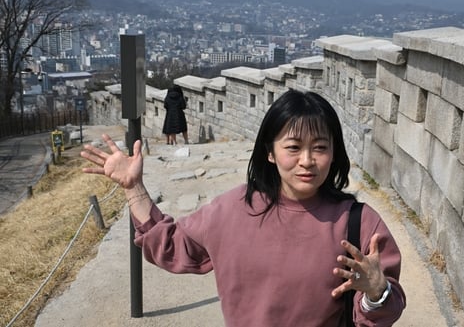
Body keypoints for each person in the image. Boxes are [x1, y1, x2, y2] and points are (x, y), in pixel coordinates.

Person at [80, 89, 406, 326]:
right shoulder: (232, 211)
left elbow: (384, 312)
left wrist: (377, 290)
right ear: (270, 152)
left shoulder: (358, 223)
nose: (307, 161)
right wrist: (134, 189)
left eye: (319, 148)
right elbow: (170, 247)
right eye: (293, 147)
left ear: (334, 153)